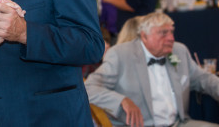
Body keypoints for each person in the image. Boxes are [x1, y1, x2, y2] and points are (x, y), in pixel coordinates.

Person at [85, 12, 219, 127]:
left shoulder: (179, 51)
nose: (171, 38)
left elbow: (204, 79)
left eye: (172, 32)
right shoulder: (121, 55)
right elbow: (90, 87)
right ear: (144, 36)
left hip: (179, 124)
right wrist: (121, 100)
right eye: (163, 33)